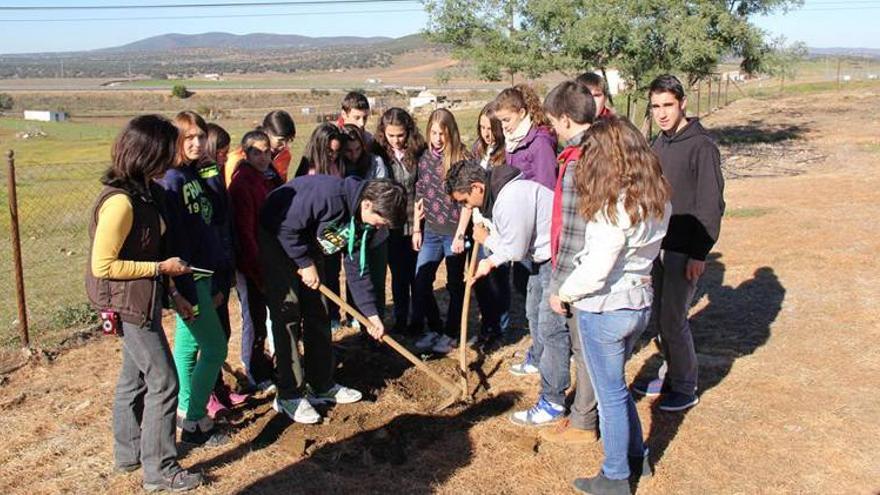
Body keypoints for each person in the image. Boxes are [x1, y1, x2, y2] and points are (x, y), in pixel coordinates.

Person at [85, 114, 202, 492]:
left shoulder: (145, 192)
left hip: (144, 296)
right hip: (128, 303)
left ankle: (130, 453)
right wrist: (161, 268)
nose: (175, 153)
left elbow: (149, 248)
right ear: (148, 152)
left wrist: (173, 293)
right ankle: (161, 470)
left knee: (133, 377)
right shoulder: (120, 202)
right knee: (164, 382)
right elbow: (104, 264)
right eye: (169, 147)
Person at [562, 117, 672, 494]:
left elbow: (596, 270)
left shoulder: (615, 207)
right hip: (639, 304)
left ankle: (614, 476)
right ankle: (636, 458)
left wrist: (564, 293)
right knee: (617, 388)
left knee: (609, 396)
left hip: (606, 309)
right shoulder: (656, 198)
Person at [258, 176, 406, 424]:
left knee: (319, 309)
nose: (380, 227)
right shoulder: (329, 197)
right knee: (289, 313)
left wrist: (370, 315)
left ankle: (321, 384)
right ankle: (289, 394)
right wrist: (304, 264)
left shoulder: (364, 222)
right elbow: (284, 226)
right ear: (368, 204)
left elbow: (357, 268)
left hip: (307, 241)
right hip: (278, 236)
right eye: (381, 222)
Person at [444, 158, 567, 426]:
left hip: (555, 258)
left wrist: (487, 250)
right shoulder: (497, 194)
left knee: (551, 328)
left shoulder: (509, 198)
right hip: (541, 257)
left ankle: (554, 400)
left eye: (465, 200)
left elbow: (515, 249)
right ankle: (537, 358)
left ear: (477, 187)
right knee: (533, 312)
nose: (466, 207)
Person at [630, 74, 725, 412]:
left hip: (684, 250)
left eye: (668, 105)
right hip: (656, 247)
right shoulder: (659, 144)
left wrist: (699, 253)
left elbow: (710, 205)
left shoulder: (702, 146)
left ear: (683, 103)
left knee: (673, 320)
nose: (662, 113)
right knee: (659, 318)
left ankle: (686, 385)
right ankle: (670, 376)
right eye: (656, 106)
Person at [157, 111, 229, 446]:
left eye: (201, 136)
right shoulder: (171, 180)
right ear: (176, 141)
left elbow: (218, 211)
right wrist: (179, 289)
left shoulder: (195, 174)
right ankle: (197, 417)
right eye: (189, 138)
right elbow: (172, 238)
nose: (198, 143)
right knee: (215, 348)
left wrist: (211, 170)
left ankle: (186, 413)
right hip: (190, 277)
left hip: (205, 274)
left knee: (188, 347)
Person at [541, 80, 601, 443]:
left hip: (582, 273)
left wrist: (559, 286)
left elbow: (573, 232)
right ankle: (582, 412)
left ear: (565, 119)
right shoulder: (603, 148)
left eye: (552, 122)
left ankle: (583, 422)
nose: (552, 130)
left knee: (585, 350)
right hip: (597, 269)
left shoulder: (580, 162)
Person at [411, 108, 472, 354]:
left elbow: (468, 200)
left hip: (454, 231)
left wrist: (460, 234)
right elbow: (420, 192)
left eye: (442, 133)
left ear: (451, 132)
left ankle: (450, 334)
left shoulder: (461, 158)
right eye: (433, 132)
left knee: (455, 284)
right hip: (432, 232)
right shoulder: (425, 158)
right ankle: (435, 328)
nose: (437, 138)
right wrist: (417, 228)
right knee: (421, 281)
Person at [228, 130, 283, 396]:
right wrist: (257, 271)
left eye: (266, 151)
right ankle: (253, 371)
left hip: (269, 257)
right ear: (245, 153)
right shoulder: (242, 184)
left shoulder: (269, 176)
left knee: (266, 315)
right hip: (251, 263)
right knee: (254, 317)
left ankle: (266, 365)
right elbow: (245, 232)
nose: (263, 157)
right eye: (256, 152)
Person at [199, 122, 246, 417]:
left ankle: (218, 387)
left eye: (227, 154)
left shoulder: (214, 175)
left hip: (223, 264)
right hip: (209, 269)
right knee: (209, 337)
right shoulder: (206, 178)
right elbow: (214, 224)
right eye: (220, 153)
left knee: (223, 330)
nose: (224, 159)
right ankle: (205, 394)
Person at [372, 107, 426, 334]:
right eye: (391, 135)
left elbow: (421, 189)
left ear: (409, 132)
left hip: (414, 223)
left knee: (417, 275)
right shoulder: (379, 154)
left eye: (400, 135)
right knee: (398, 276)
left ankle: (418, 319)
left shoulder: (419, 152)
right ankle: (401, 318)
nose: (395, 140)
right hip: (391, 226)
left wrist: (417, 229)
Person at [294, 123, 349, 331]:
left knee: (333, 273)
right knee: (317, 278)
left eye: (336, 152)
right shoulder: (307, 169)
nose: (333, 156)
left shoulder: (339, 166)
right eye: (329, 152)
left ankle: (334, 314)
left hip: (333, 233)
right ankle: (320, 316)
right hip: (312, 236)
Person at [341, 124, 389, 321]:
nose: (353, 155)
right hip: (350, 234)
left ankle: (377, 321)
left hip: (376, 234)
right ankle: (358, 319)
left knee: (376, 281)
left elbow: (382, 195)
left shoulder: (375, 163)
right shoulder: (340, 166)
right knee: (355, 276)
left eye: (358, 150)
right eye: (348, 151)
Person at [494, 84, 558, 190]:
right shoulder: (512, 140)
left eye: (507, 120)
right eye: (501, 121)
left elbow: (547, 185)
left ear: (522, 113)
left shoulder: (539, 142)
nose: (503, 126)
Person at [224, 110, 296, 184]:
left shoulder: (285, 155)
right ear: (266, 133)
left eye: (289, 140)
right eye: (281, 140)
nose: (285, 145)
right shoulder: (236, 159)